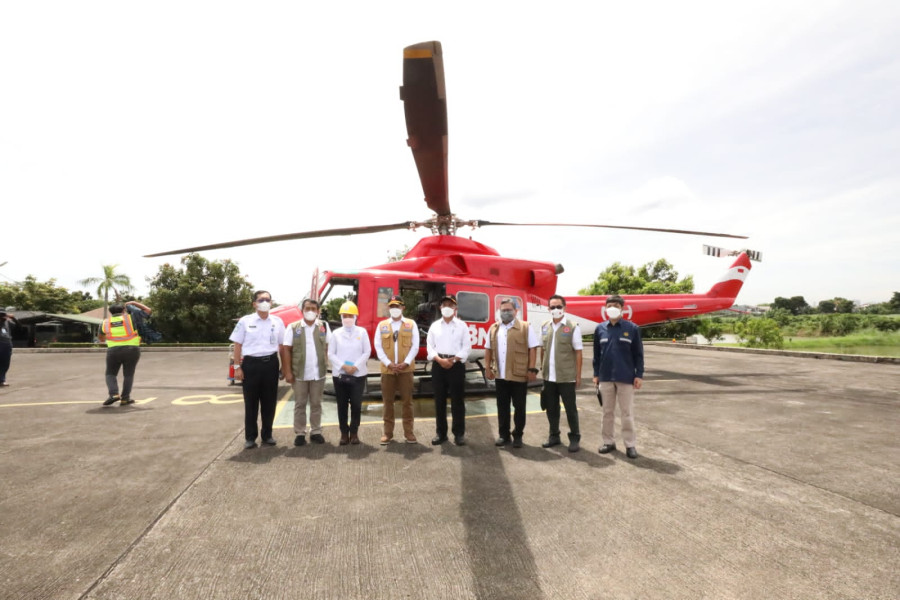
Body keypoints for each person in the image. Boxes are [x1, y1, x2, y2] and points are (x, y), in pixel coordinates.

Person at [231, 291, 285, 449]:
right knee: (251, 403)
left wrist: (284, 367)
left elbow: (282, 346)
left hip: (271, 364)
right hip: (251, 365)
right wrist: (237, 367)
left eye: (268, 299)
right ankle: (250, 437)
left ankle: (267, 435)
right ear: (254, 303)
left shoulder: (277, 321)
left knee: (269, 402)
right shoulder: (245, 321)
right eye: (261, 300)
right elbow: (237, 345)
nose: (265, 302)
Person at [592, 295, 644, 459]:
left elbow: (638, 354)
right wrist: (595, 374)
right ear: (605, 308)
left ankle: (630, 445)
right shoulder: (600, 329)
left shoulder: (632, 328)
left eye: (615, 305)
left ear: (622, 308)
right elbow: (596, 355)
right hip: (605, 377)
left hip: (626, 377)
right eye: (609, 305)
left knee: (626, 413)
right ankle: (608, 442)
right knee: (607, 412)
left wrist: (639, 375)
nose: (612, 308)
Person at [484, 298, 540, 448]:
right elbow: (488, 349)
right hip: (500, 375)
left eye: (509, 310)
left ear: (516, 311)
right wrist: (487, 368)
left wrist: (531, 369)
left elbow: (533, 348)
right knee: (502, 407)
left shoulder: (525, 327)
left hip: (518, 374)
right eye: (503, 310)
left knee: (519, 407)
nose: (506, 312)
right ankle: (504, 435)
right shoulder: (494, 328)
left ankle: (518, 435)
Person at [281, 298, 332, 446]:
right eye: (307, 308)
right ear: (302, 310)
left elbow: (329, 346)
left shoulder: (324, 327)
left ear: (318, 311)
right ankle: (300, 433)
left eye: (313, 309)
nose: (310, 311)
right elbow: (286, 350)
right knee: (300, 404)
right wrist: (288, 372)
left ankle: (316, 431)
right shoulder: (293, 327)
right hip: (299, 373)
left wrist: (326, 361)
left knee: (316, 403)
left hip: (318, 373)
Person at [538, 295, 583, 452]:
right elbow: (542, 350)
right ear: (548, 309)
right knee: (551, 408)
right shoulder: (544, 326)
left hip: (566, 376)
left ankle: (575, 437)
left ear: (564, 308)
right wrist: (542, 371)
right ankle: (554, 436)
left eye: (558, 306)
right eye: (552, 307)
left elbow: (578, 352)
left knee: (570, 408)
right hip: (549, 376)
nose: (555, 309)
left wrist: (578, 375)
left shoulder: (572, 326)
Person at [426, 294, 472, 446]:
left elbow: (467, 347)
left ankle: (459, 434)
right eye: (444, 305)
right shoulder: (434, 326)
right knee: (439, 401)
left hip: (456, 365)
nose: (447, 308)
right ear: (440, 307)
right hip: (438, 365)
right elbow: (430, 347)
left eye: (450, 305)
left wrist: (453, 360)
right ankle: (441, 434)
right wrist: (439, 360)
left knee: (457, 401)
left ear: (455, 308)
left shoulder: (462, 326)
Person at [374, 295, 420, 445]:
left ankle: (409, 433)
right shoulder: (382, 325)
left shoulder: (411, 324)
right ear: (389, 308)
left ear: (403, 308)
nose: (395, 309)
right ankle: (387, 433)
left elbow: (415, 346)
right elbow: (378, 347)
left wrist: (406, 363)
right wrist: (388, 363)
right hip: (388, 371)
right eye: (392, 306)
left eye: (398, 306)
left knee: (407, 402)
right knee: (388, 402)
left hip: (405, 370)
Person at [328, 300, 371, 445]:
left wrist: (356, 366)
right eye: (345, 315)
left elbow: (367, 351)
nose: (348, 318)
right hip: (340, 374)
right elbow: (331, 354)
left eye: (350, 315)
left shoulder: (362, 332)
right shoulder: (335, 333)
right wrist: (344, 366)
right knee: (342, 405)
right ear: (341, 317)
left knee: (356, 405)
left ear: (355, 317)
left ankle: (354, 433)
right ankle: (343, 433)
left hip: (358, 375)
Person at [99, 301, 151, 406]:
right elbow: (148, 310)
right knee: (128, 374)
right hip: (132, 350)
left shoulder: (105, 322)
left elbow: (101, 338)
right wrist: (133, 302)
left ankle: (113, 394)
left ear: (110, 312)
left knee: (110, 374)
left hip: (113, 350)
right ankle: (125, 398)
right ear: (124, 310)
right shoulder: (131, 318)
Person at [0, 310, 15, 387]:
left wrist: (13, 318)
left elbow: (18, 326)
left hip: (7, 344)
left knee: (5, 364)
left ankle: (2, 380)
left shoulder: (7, 322)